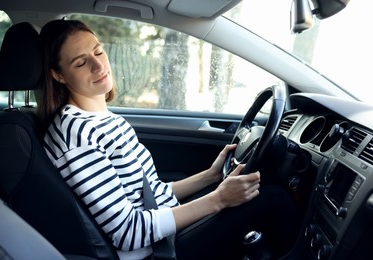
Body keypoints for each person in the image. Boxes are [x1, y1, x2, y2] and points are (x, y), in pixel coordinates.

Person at [37, 19, 301, 260]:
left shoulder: (103, 118)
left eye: (98, 51)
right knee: (273, 200)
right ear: (58, 75)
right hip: (157, 252)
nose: (99, 65)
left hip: (163, 235)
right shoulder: (76, 133)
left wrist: (210, 176)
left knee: (261, 193)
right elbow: (127, 233)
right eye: (81, 63)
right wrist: (218, 199)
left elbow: (151, 192)